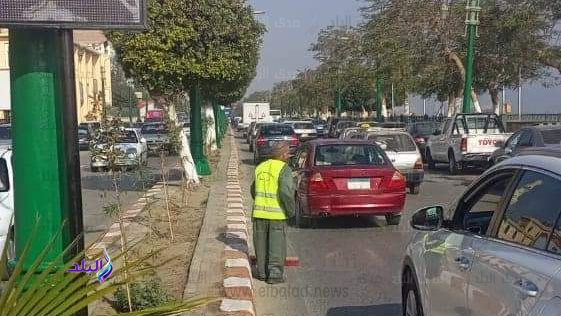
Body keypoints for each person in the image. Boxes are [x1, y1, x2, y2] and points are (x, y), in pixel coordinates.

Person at [251, 141, 295, 284]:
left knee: (261, 245)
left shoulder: (260, 168)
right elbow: (286, 192)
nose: (289, 156)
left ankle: (262, 273)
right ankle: (275, 275)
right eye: (288, 153)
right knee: (276, 246)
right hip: (276, 215)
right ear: (282, 155)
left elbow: (253, 190)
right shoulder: (284, 169)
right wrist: (290, 211)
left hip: (259, 214)